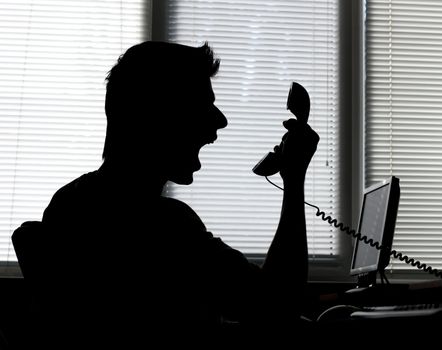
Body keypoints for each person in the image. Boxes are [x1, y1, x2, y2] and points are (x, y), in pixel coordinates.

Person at [34, 41, 319, 348]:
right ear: (160, 114)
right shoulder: (164, 226)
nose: (220, 120)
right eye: (202, 104)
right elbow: (277, 305)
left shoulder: (69, 202)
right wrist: (294, 179)